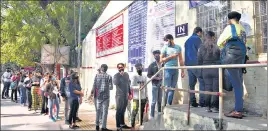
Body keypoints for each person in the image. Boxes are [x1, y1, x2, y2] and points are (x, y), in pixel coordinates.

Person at [217, 11, 247, 119]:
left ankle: (238, 111)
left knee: (237, 85)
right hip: (241, 59)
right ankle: (239, 108)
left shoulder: (229, 28)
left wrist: (225, 44)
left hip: (231, 59)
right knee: (239, 83)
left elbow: (219, 42)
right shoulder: (243, 29)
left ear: (229, 20)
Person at [197, 31, 221, 112]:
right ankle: (215, 107)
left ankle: (207, 106)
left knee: (207, 87)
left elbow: (199, 60)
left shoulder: (201, 47)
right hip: (215, 69)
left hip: (205, 69)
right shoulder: (216, 46)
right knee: (215, 88)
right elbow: (220, 58)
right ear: (213, 37)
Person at [160, 34, 185, 105]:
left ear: (171, 40)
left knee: (173, 88)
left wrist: (182, 71)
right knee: (167, 87)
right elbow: (161, 60)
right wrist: (171, 57)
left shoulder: (178, 47)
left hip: (175, 69)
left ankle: (168, 104)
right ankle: (163, 104)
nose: (166, 42)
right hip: (167, 69)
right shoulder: (165, 48)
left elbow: (181, 60)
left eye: (166, 40)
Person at [184, 27, 206, 107]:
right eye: (201, 33)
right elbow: (201, 51)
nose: (201, 35)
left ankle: (192, 101)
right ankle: (202, 102)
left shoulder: (187, 40)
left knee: (192, 84)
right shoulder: (197, 39)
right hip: (196, 64)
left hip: (189, 65)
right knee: (202, 82)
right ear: (199, 32)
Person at [92, 64, 113, 131]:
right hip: (106, 97)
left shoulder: (97, 76)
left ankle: (97, 126)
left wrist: (93, 93)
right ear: (107, 69)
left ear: (101, 68)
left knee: (98, 111)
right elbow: (111, 87)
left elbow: (94, 85)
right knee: (105, 112)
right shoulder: (109, 76)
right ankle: (103, 127)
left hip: (98, 96)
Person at [113, 63, 131, 131]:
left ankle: (122, 124)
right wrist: (120, 75)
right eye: (119, 67)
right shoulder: (116, 75)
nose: (121, 68)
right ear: (118, 68)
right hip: (119, 96)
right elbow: (115, 83)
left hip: (125, 95)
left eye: (122, 67)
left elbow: (128, 84)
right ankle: (118, 126)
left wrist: (130, 93)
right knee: (119, 111)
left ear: (124, 67)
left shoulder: (126, 74)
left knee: (123, 110)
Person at [130, 63, 148, 129]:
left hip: (143, 98)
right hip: (136, 98)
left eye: (140, 67)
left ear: (142, 67)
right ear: (136, 68)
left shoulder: (144, 76)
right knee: (134, 111)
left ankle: (140, 124)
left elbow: (146, 87)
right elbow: (131, 87)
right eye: (137, 68)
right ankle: (132, 125)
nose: (139, 69)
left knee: (142, 111)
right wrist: (138, 87)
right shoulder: (134, 76)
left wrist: (147, 96)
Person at [147, 50, 163, 118]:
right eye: (156, 56)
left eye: (158, 55)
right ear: (154, 56)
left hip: (161, 84)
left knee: (160, 100)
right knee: (154, 101)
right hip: (155, 84)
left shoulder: (163, 64)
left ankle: (159, 112)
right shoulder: (152, 65)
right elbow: (148, 75)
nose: (157, 57)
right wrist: (155, 78)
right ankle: (152, 115)